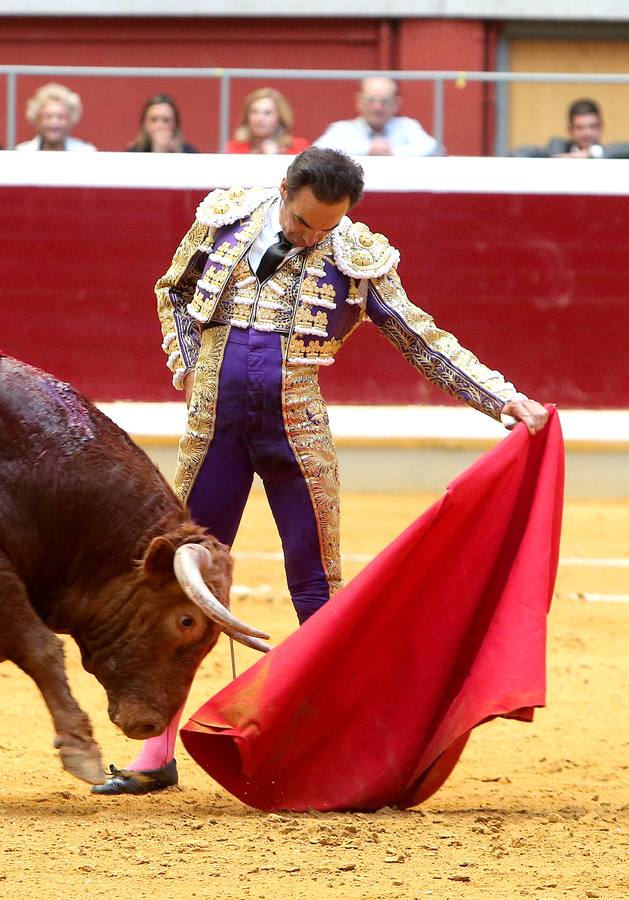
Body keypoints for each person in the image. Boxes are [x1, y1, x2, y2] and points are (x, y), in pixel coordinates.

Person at [92, 147, 549, 795]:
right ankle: (155, 749)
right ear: (284, 190)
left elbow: (421, 338)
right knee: (180, 580)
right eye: (305, 223)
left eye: (325, 227)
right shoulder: (226, 216)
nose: (312, 237)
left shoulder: (354, 253)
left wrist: (500, 397)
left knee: (315, 586)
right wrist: (192, 367)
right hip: (211, 427)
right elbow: (174, 288)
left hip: (295, 426)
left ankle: (334, 740)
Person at [315, 77, 438, 157]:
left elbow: (434, 148)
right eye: (370, 100)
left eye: (384, 101)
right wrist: (367, 149)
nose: (377, 107)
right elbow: (317, 152)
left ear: (396, 104)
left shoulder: (407, 126)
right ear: (358, 101)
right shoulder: (343, 129)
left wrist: (392, 152)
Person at [512, 98, 629, 159]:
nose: (587, 133)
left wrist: (591, 153)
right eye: (580, 127)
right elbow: (518, 153)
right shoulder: (556, 148)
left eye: (592, 126)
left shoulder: (609, 153)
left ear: (601, 127)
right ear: (570, 130)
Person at [225, 87, 308, 155]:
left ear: (280, 117)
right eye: (254, 112)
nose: (260, 118)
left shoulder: (298, 149)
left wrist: (275, 158)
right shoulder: (232, 149)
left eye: (267, 113)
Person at [14, 83, 95, 152]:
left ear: (71, 120)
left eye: (61, 117)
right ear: (37, 119)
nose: (54, 122)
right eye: (48, 117)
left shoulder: (85, 152)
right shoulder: (22, 152)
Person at [126, 93, 198, 153]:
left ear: (175, 125)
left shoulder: (189, 153)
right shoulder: (133, 153)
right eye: (153, 120)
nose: (159, 126)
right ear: (144, 124)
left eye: (166, 120)